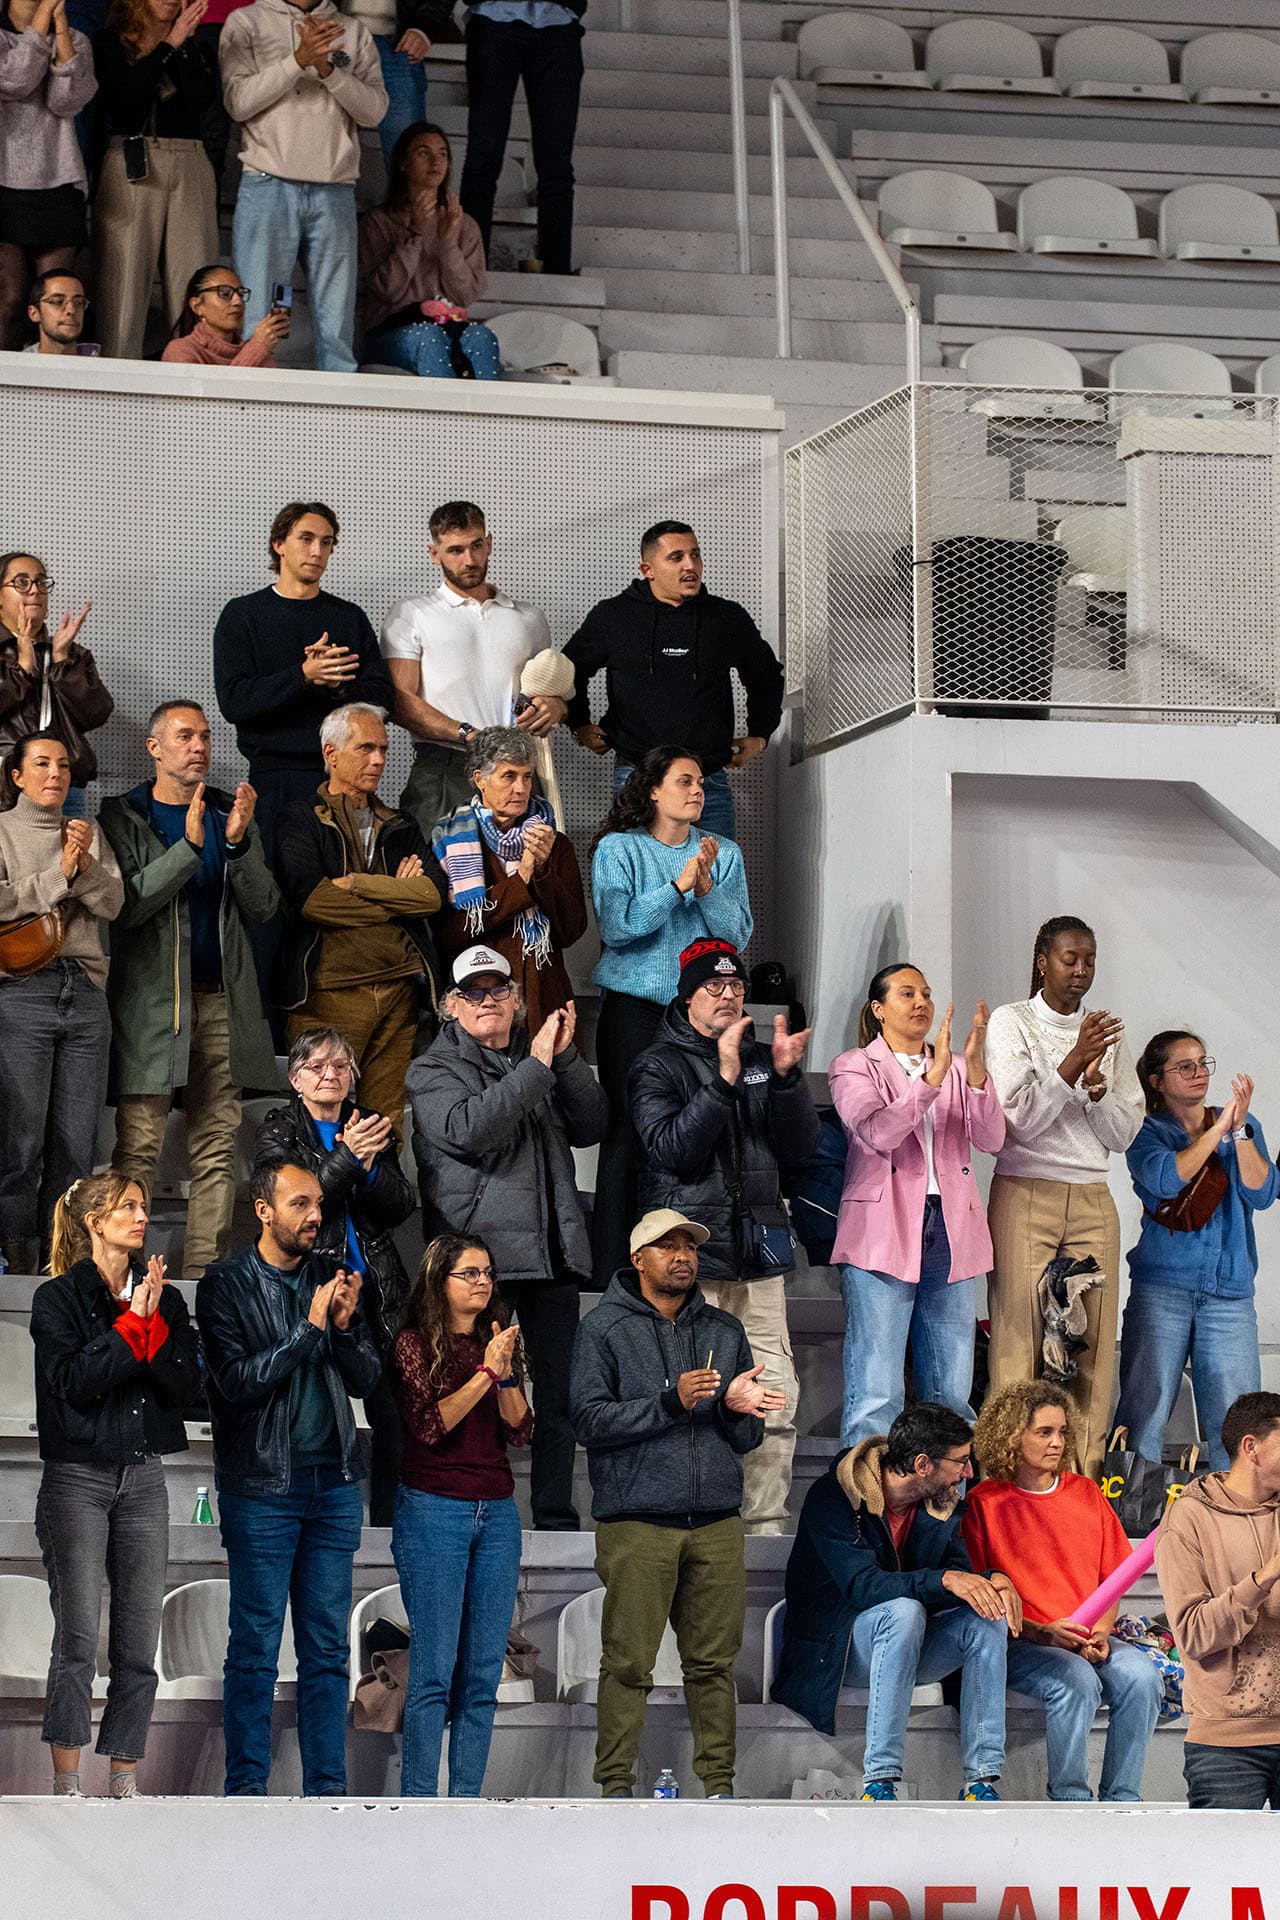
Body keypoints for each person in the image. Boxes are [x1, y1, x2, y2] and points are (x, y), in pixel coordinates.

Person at [569, 1208, 781, 1798]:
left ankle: (719, 1786)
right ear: (638, 1259)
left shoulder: (723, 1331)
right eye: (667, 1246)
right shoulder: (604, 1329)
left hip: (715, 1521)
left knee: (713, 1666)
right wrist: (669, 1402)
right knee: (628, 1665)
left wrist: (740, 1412)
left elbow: (744, 1438)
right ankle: (615, 1787)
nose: (682, 1255)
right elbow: (587, 1420)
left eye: (689, 1245)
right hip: (637, 1522)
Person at [195, 1158, 381, 1796]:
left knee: (328, 1652)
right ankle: (246, 1791)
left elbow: (367, 1381)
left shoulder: (333, 1276)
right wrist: (309, 1331)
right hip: (261, 1489)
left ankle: (326, 1791)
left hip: (332, 1483)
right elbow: (238, 1383)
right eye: (299, 1204)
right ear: (263, 1209)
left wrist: (348, 1330)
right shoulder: (223, 1284)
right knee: (254, 1648)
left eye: (318, 1205)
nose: (314, 1216)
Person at [409, 943, 606, 1530]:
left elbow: (592, 1124)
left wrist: (566, 1060)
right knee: (477, 1387)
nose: (486, 1001)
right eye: (473, 992)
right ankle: (478, 1507)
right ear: (451, 1006)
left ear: (518, 1001)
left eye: (499, 990)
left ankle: (553, 1512)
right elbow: (471, 1130)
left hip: (552, 1255)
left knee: (561, 1396)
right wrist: (539, 1068)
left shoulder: (538, 1056)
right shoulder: (430, 1069)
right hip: (479, 1264)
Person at [628, 937, 817, 1534]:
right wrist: (723, 1080)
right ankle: (702, 1526)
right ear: (687, 998)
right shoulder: (655, 1064)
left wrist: (785, 1080)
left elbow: (801, 1150)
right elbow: (672, 1151)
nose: (730, 995)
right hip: (693, 1269)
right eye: (715, 986)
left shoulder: (764, 1060)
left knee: (774, 1404)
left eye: (737, 987)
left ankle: (763, 1528)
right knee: (702, 1401)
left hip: (757, 1262)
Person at [30, 1173, 199, 1799]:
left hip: (144, 1476)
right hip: (77, 1478)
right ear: (94, 1222)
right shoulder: (58, 1299)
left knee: (138, 1640)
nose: (139, 1216)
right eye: (126, 1207)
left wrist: (151, 1322)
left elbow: (185, 1387)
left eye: (143, 1208)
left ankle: (124, 1774)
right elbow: (74, 1381)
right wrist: (135, 1324)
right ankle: (66, 1778)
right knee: (76, 1633)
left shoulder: (167, 1299)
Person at [99, 700, 279, 1281]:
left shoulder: (232, 812)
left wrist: (237, 844)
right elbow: (126, 905)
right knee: (140, 1146)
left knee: (218, 1146)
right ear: (155, 748)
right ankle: (118, 1274)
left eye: (204, 736)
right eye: (184, 736)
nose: (199, 746)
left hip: (222, 1001)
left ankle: (204, 1276)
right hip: (151, 1006)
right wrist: (190, 848)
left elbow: (265, 905)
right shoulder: (123, 816)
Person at [772, 1402, 1012, 1803]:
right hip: (838, 1651)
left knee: (986, 1617)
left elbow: (955, 1576)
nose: (969, 1473)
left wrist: (994, 1581)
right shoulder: (835, 1497)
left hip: (908, 1647)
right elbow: (863, 1587)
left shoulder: (942, 1505)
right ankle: (880, 1781)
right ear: (922, 1464)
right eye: (961, 1462)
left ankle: (981, 1782)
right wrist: (946, 1580)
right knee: (903, 1610)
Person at [984, 916, 1144, 1476]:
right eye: (1069, 959)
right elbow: (1019, 1119)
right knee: (1018, 1341)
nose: (1081, 971)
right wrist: (1075, 1062)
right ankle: (1005, 1483)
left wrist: (1099, 1093)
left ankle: (1080, 1482)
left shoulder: (1109, 1034)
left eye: (1089, 961)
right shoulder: (1012, 1022)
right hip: (1026, 1188)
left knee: (1095, 1345)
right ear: (1041, 960)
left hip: (1092, 1192)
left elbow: (1123, 1134)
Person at [588, 747, 752, 1289]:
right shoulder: (618, 849)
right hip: (634, 1012)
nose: (697, 790)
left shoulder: (722, 852)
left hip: (700, 1018)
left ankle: (686, 1264)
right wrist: (678, 885)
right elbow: (619, 927)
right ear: (653, 790)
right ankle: (615, 1268)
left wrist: (705, 886)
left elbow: (738, 935)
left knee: (700, 1133)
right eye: (684, 781)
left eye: (701, 781)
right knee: (627, 1134)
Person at [829, 965, 1004, 1447]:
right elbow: (879, 1131)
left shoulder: (957, 1066)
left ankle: (947, 1513)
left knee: (952, 1392)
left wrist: (977, 1071)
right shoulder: (854, 1065)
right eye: (907, 994)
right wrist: (930, 1082)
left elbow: (992, 1139)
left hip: (951, 1228)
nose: (921, 1002)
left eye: (926, 993)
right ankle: (864, 1511)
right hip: (882, 1233)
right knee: (876, 1390)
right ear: (879, 1009)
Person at [964, 1381, 1162, 1803]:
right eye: (1044, 1432)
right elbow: (982, 1595)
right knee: (1075, 1680)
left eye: (1061, 1432)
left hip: (1088, 1637)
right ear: (1012, 1435)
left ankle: (1122, 1800)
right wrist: (1043, 1631)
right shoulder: (984, 1502)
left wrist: (1102, 1633)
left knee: (1142, 1677)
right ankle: (1070, 1800)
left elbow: (1115, 1578)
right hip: (1023, 1641)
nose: (1057, 1442)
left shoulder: (1086, 1492)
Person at [254, 1026, 415, 1526]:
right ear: (295, 1078)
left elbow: (401, 1204)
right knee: (313, 1410)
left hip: (375, 1286)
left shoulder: (367, 1125)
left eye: (341, 1066)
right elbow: (298, 1204)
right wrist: (351, 1158)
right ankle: (305, 1516)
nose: (331, 1075)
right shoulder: (279, 1129)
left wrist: (368, 1167)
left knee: (395, 1416)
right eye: (317, 1067)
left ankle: (390, 1523)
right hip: (310, 1288)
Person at [390, 1232, 531, 1795]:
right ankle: (422, 1801)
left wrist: (506, 1373)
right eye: (469, 1273)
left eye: (488, 1273)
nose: (482, 1283)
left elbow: (521, 1428)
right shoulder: (413, 1343)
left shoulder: (500, 1340)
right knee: (433, 1672)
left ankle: (467, 1799)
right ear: (439, 1281)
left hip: (495, 1511)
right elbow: (429, 1426)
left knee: (481, 1676)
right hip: (433, 1509)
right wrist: (486, 1375)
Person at [274, 701, 442, 1139]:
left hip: (399, 991)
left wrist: (359, 884)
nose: (379, 759)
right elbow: (314, 901)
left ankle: (379, 1209)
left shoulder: (400, 824)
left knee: (386, 1123)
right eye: (366, 748)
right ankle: (318, 1209)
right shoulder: (300, 817)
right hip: (327, 991)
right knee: (320, 1121)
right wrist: (395, 896)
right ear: (331, 754)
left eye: (383, 749)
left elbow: (430, 896)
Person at [1115, 1032, 1276, 1473]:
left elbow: (1262, 1194)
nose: (1199, 1072)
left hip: (1229, 1296)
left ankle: (1235, 1515)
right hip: (1161, 1290)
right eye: (1184, 1066)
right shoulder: (1146, 1130)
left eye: (1203, 1062)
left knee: (1238, 1417)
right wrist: (1218, 1131)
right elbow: (1168, 1179)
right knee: (1145, 1410)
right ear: (1157, 1080)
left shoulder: (1242, 1124)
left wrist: (1238, 1130)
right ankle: (1131, 1513)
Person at [564, 521, 784, 841]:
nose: (690, 565)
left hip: (707, 780)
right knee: (638, 885)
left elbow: (764, 676)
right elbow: (570, 671)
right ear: (648, 569)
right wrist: (579, 724)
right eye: (676, 557)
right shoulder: (613, 617)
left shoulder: (725, 617)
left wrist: (760, 734)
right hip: (636, 778)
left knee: (715, 885)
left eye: (695, 555)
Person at [0, 734, 123, 1274]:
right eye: (42, 764)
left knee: (76, 1144)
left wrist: (83, 866)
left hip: (86, 992)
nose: (56, 774)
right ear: (17, 776)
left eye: (64, 765)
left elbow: (115, 902)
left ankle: (66, 1265)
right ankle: (14, 1264)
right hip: (21, 992)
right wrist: (60, 876)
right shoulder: (3, 830)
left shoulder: (88, 833)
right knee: (19, 1143)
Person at [212, 501, 393, 857]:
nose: (317, 551)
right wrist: (303, 675)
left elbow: (384, 697)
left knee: (344, 887)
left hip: (342, 777)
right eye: (306, 539)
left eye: (326, 542)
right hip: (273, 776)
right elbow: (235, 701)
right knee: (275, 894)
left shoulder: (348, 617)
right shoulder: (244, 614)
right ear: (279, 543)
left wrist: (337, 683)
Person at [219, 0, 388, 374]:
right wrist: (297, 61)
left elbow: (375, 111)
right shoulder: (246, 21)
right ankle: (249, 418)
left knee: (337, 331)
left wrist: (328, 70)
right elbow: (238, 102)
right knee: (256, 323)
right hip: (267, 182)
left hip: (335, 188)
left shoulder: (353, 31)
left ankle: (337, 424)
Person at [380, 500, 560, 836]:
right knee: (436, 878)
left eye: (477, 546)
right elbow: (399, 701)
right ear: (434, 554)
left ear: (489, 542)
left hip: (516, 766)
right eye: (455, 550)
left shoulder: (529, 618)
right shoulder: (412, 613)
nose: (470, 560)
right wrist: (470, 735)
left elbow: (548, 693)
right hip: (445, 765)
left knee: (520, 879)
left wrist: (556, 706)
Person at [1155, 1390, 1280, 1809]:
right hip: (1227, 1745)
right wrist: (1265, 1576)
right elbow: (1192, 1634)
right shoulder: (1189, 1517)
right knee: (1222, 1872)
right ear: (1252, 1448)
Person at [430, 725, 586, 1031]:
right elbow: (449, 934)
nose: (521, 788)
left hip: (544, 995)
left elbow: (571, 930)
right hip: (482, 1003)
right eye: (509, 776)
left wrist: (542, 872)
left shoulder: (554, 842)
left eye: (527, 776)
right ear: (479, 780)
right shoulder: (450, 841)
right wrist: (521, 880)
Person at [91, 0, 220, 359]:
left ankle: (195, 382)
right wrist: (167, 45)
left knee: (195, 288)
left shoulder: (196, 45)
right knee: (124, 288)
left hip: (190, 159)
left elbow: (200, 102)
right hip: (133, 159)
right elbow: (124, 100)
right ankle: (115, 387)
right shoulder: (110, 41)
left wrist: (183, 45)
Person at [358, 120, 499, 379]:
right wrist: (415, 234)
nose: (435, 161)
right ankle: (444, 420)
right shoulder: (378, 221)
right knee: (428, 337)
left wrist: (447, 243)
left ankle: (486, 419)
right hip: (390, 332)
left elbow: (465, 295)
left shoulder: (463, 224)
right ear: (403, 163)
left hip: (448, 327)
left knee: (482, 337)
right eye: (424, 153)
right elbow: (388, 291)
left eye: (442, 154)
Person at [458, 0, 584, 276]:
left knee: (556, 162)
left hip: (558, 22)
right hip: (494, 19)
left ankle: (557, 270)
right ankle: (469, 269)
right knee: (484, 154)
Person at [0, 0, 97, 352]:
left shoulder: (76, 40)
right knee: (10, 302)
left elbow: (66, 102)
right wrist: (42, 23)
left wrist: (59, 28)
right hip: (4, 182)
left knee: (58, 303)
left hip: (58, 180)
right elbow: (15, 81)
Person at [0, 551, 114, 818]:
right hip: (4, 780)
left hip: (62, 783)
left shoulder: (71, 653)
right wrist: (24, 666)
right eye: (21, 582)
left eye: (41, 582)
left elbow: (95, 714)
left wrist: (63, 661)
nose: (35, 591)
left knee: (66, 859)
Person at [343, 0, 440, 163]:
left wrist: (424, 27)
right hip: (334, 33)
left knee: (408, 154)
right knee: (321, 146)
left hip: (399, 41)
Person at [161, 259, 291, 364]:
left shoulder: (262, 354)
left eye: (240, 294)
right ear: (197, 306)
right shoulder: (181, 351)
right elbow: (209, 396)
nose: (238, 301)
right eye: (224, 293)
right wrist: (256, 348)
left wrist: (259, 350)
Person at [24, 266, 98, 352]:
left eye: (79, 302)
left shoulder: (100, 363)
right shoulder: (18, 364)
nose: (71, 310)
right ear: (34, 313)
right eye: (58, 301)